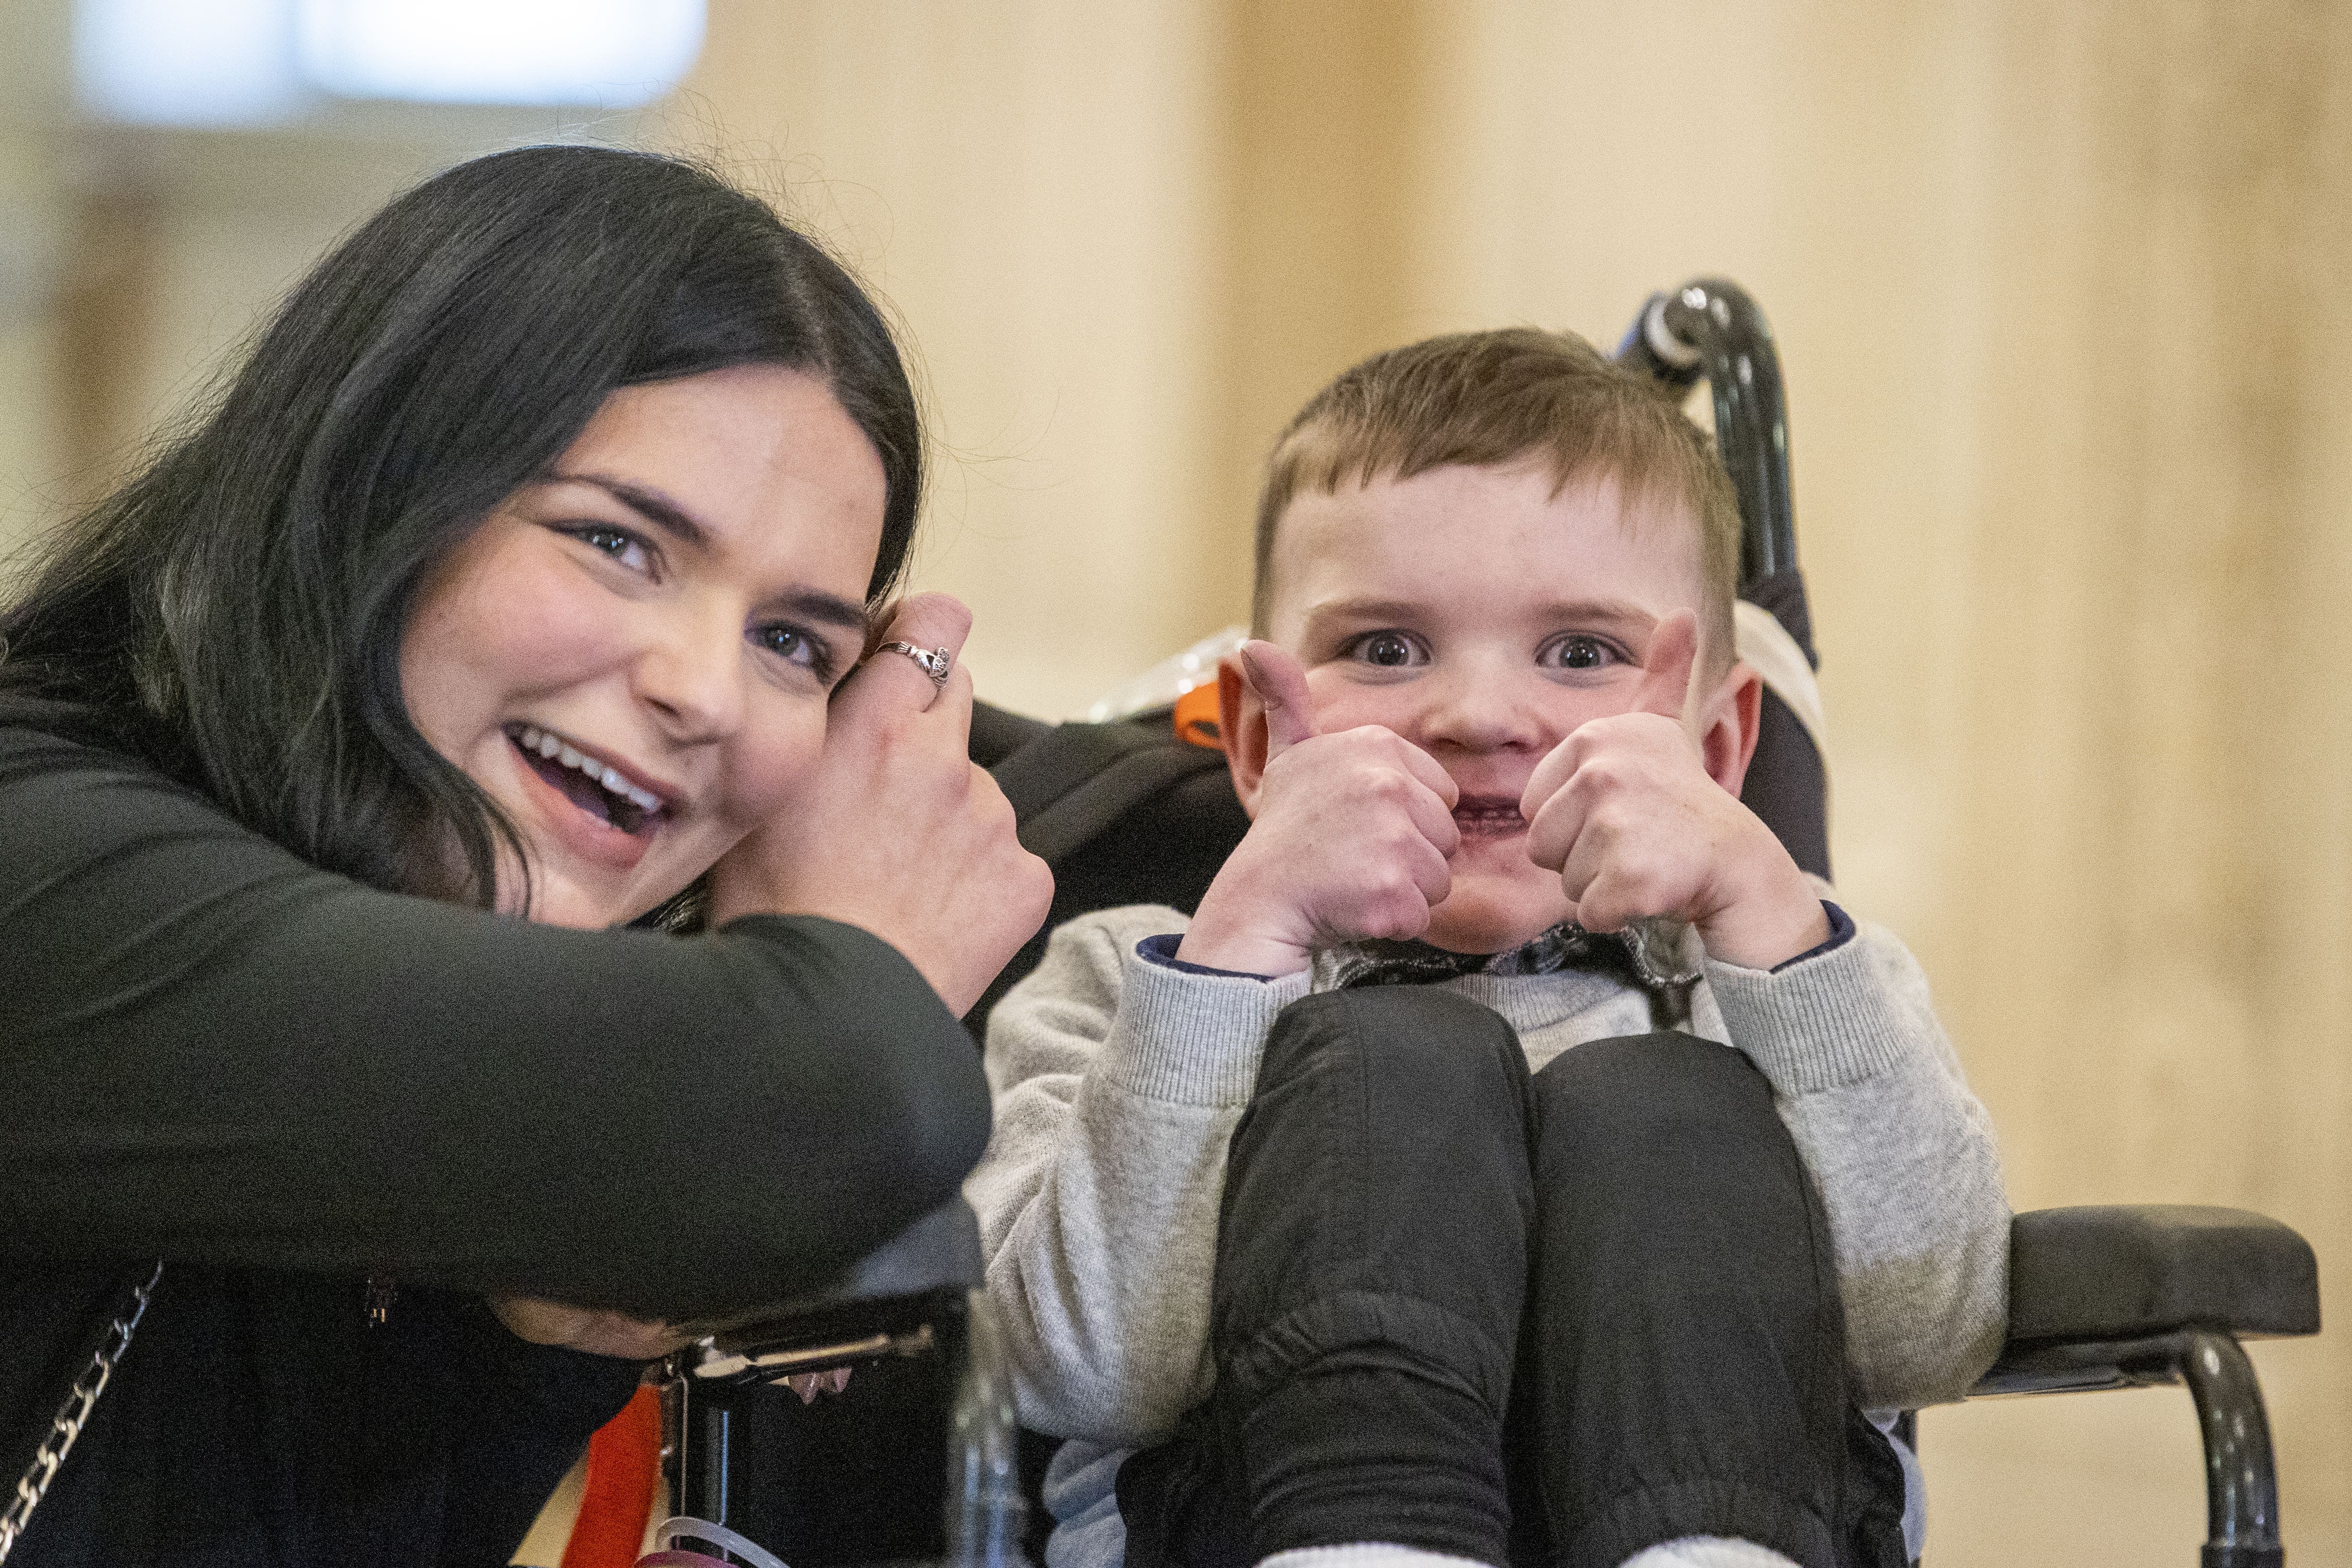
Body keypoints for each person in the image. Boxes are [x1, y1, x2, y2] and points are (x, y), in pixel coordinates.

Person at [0, 145, 1052, 1568]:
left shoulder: (437, 1050)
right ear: (367, 491)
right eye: (619, 545)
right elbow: (813, 1111)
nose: (706, 690)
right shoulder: (41, 850)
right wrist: (859, 958)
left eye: (791, 642)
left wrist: (535, 1342)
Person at [968, 329, 2009, 1568]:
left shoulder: (1805, 987)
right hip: (1249, 1524)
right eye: (1384, 648)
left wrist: (1763, 908)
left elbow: (1928, 1337)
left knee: (1660, 1104)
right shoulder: (1130, 976)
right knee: (1386, 1064)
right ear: (1255, 744)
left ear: (1717, 750)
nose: (1478, 717)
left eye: (1580, 654)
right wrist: (1238, 945)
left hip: (1738, 1512)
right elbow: (1079, 1375)